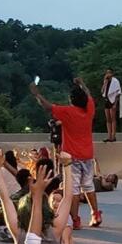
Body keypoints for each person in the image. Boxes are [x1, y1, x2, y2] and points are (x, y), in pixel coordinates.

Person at [31, 76, 102, 228]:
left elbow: (48, 107)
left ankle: (75, 219)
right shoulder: (89, 109)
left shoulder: (68, 112)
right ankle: (95, 214)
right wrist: (82, 83)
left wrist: (37, 94)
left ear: (71, 100)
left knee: (74, 189)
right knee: (89, 186)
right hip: (88, 155)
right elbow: (89, 94)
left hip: (71, 157)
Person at [102, 68, 122, 143]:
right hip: (106, 100)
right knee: (108, 119)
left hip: (112, 100)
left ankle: (113, 136)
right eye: (107, 73)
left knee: (113, 118)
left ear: (112, 74)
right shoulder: (106, 81)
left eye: (109, 73)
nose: (108, 74)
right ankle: (109, 136)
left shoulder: (115, 81)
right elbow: (102, 91)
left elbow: (118, 93)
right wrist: (105, 83)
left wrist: (115, 104)